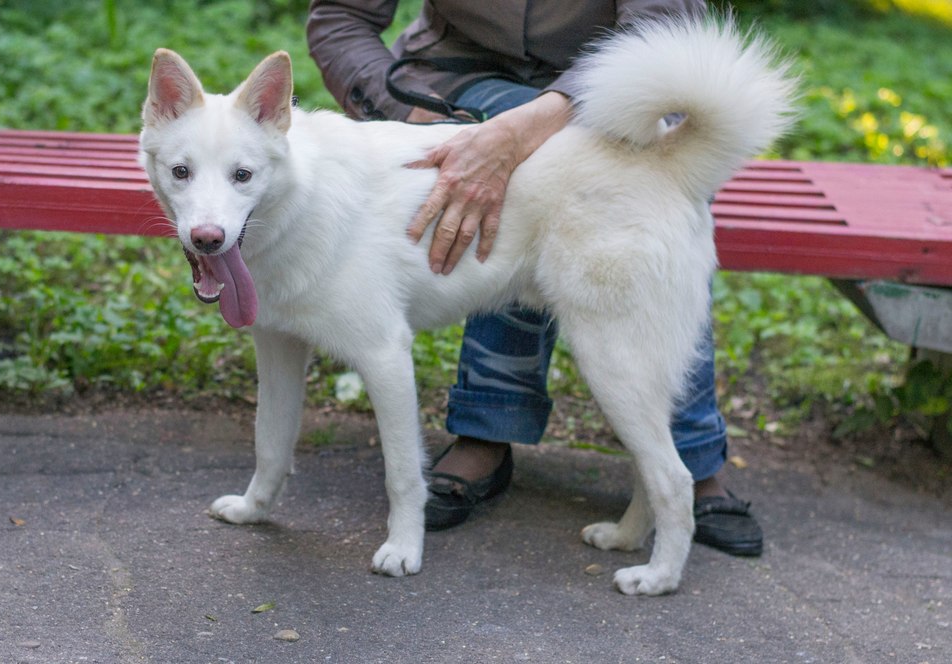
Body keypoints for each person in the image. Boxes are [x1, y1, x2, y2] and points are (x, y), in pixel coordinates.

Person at [307, 0, 763, 556]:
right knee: (544, 168)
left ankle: (685, 452)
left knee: (638, 198)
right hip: (457, 71)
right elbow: (341, 16)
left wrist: (528, 126)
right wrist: (400, 113)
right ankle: (491, 426)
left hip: (620, 73)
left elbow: (662, 21)